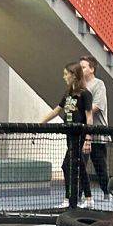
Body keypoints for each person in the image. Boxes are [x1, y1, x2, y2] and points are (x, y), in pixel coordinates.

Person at [41, 62, 93, 208]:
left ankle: (69, 198)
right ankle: (88, 198)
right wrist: (41, 122)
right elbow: (57, 110)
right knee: (79, 165)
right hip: (69, 136)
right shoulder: (68, 94)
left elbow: (89, 117)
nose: (64, 77)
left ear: (74, 75)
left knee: (66, 166)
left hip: (80, 136)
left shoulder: (85, 94)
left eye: (66, 74)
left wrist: (88, 139)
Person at [80, 55, 110, 205]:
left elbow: (96, 106)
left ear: (91, 69)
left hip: (98, 133)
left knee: (100, 166)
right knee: (80, 163)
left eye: (83, 67)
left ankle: (107, 191)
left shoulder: (99, 85)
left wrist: (80, 110)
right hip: (82, 132)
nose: (81, 69)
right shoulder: (79, 85)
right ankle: (78, 193)